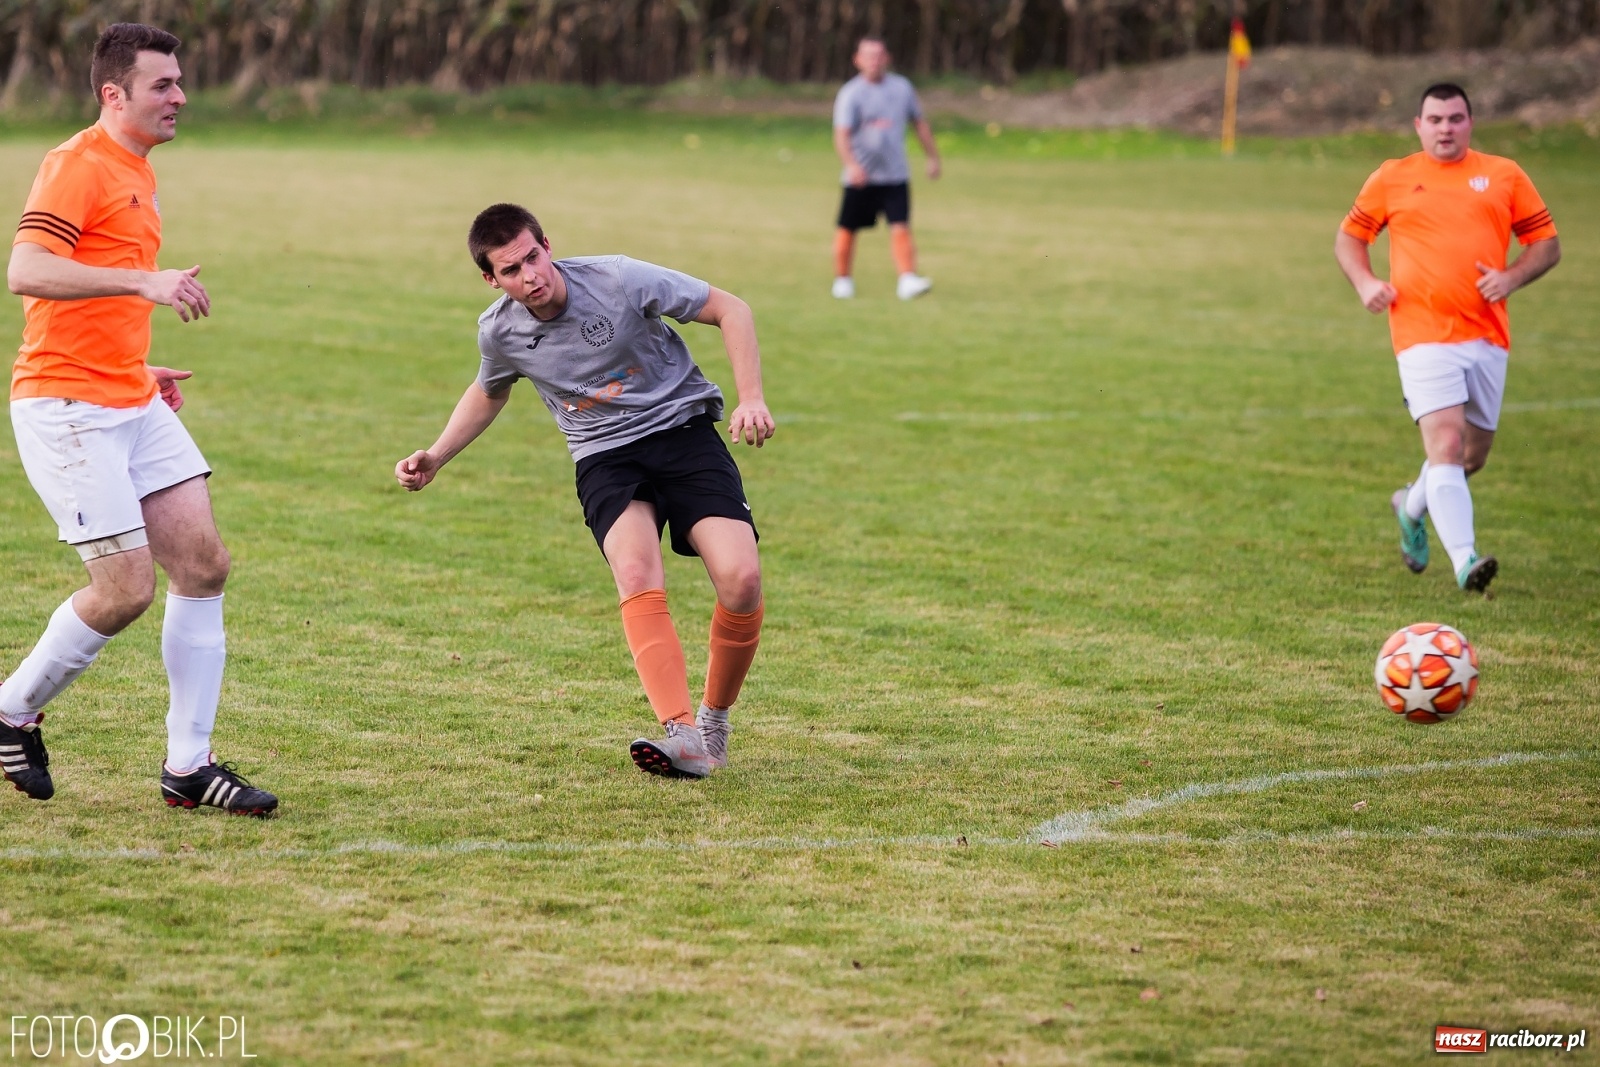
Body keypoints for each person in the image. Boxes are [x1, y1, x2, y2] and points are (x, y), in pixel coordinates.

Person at [395, 204, 774, 779]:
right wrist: (436, 456)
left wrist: (751, 398)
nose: (531, 276)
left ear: (548, 245)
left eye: (534, 257)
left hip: (683, 433)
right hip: (605, 457)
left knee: (742, 580)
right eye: (512, 270)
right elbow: (489, 390)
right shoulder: (500, 331)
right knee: (635, 569)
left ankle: (714, 718)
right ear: (491, 280)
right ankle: (682, 733)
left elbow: (730, 309)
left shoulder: (618, 279)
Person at [2, 24, 277, 813]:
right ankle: (9, 708)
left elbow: (95, 290)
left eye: (180, 81)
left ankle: (188, 767)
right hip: (66, 405)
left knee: (203, 563)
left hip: (128, 393)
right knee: (123, 589)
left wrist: (137, 360)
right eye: (163, 85)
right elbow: (27, 269)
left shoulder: (137, 171)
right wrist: (144, 283)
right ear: (112, 94)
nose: (181, 96)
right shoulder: (75, 164)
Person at [1335, 83, 1560, 594]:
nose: (1445, 129)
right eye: (1435, 120)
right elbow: (1350, 237)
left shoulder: (1504, 175)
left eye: (1455, 119)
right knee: (1447, 442)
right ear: (1418, 125)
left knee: (1469, 458)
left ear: (1470, 122)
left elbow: (1546, 244)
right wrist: (1366, 281)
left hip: (1487, 336)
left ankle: (1410, 505)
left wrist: (1510, 278)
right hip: (1420, 333)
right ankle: (1466, 561)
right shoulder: (1393, 177)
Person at [831, 37, 941, 302]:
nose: (874, 61)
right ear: (857, 60)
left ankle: (907, 279)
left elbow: (920, 124)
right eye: (868, 55)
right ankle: (843, 280)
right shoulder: (851, 93)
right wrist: (852, 166)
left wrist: (933, 157)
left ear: (887, 58)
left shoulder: (902, 88)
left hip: (894, 174)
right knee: (848, 227)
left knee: (900, 225)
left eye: (879, 55)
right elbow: (841, 134)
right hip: (861, 177)